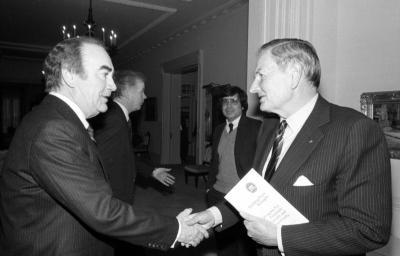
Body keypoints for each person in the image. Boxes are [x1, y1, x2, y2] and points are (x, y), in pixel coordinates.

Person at [0, 37, 207, 256]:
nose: (113, 85)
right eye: (104, 74)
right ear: (70, 74)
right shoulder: (52, 129)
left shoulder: (58, 119)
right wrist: (175, 229)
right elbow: (102, 211)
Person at [188, 38, 392, 256]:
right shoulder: (269, 126)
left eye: (261, 76)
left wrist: (281, 237)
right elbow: (256, 193)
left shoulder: (354, 130)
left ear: (294, 74)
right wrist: (215, 215)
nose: (253, 87)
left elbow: (370, 229)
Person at [89, 70, 176, 255]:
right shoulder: (113, 119)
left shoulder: (119, 116)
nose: (145, 96)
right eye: (142, 91)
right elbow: (96, 158)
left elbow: (124, 154)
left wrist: (152, 171)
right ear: (127, 91)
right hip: (111, 197)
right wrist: (104, 198)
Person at [206, 85, 260, 256]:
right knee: (224, 245)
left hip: (244, 196)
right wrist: (209, 187)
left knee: (246, 246)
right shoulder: (218, 129)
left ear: (243, 105)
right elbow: (215, 162)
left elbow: (262, 162)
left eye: (234, 102)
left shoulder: (256, 127)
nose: (228, 106)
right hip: (218, 194)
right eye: (225, 102)